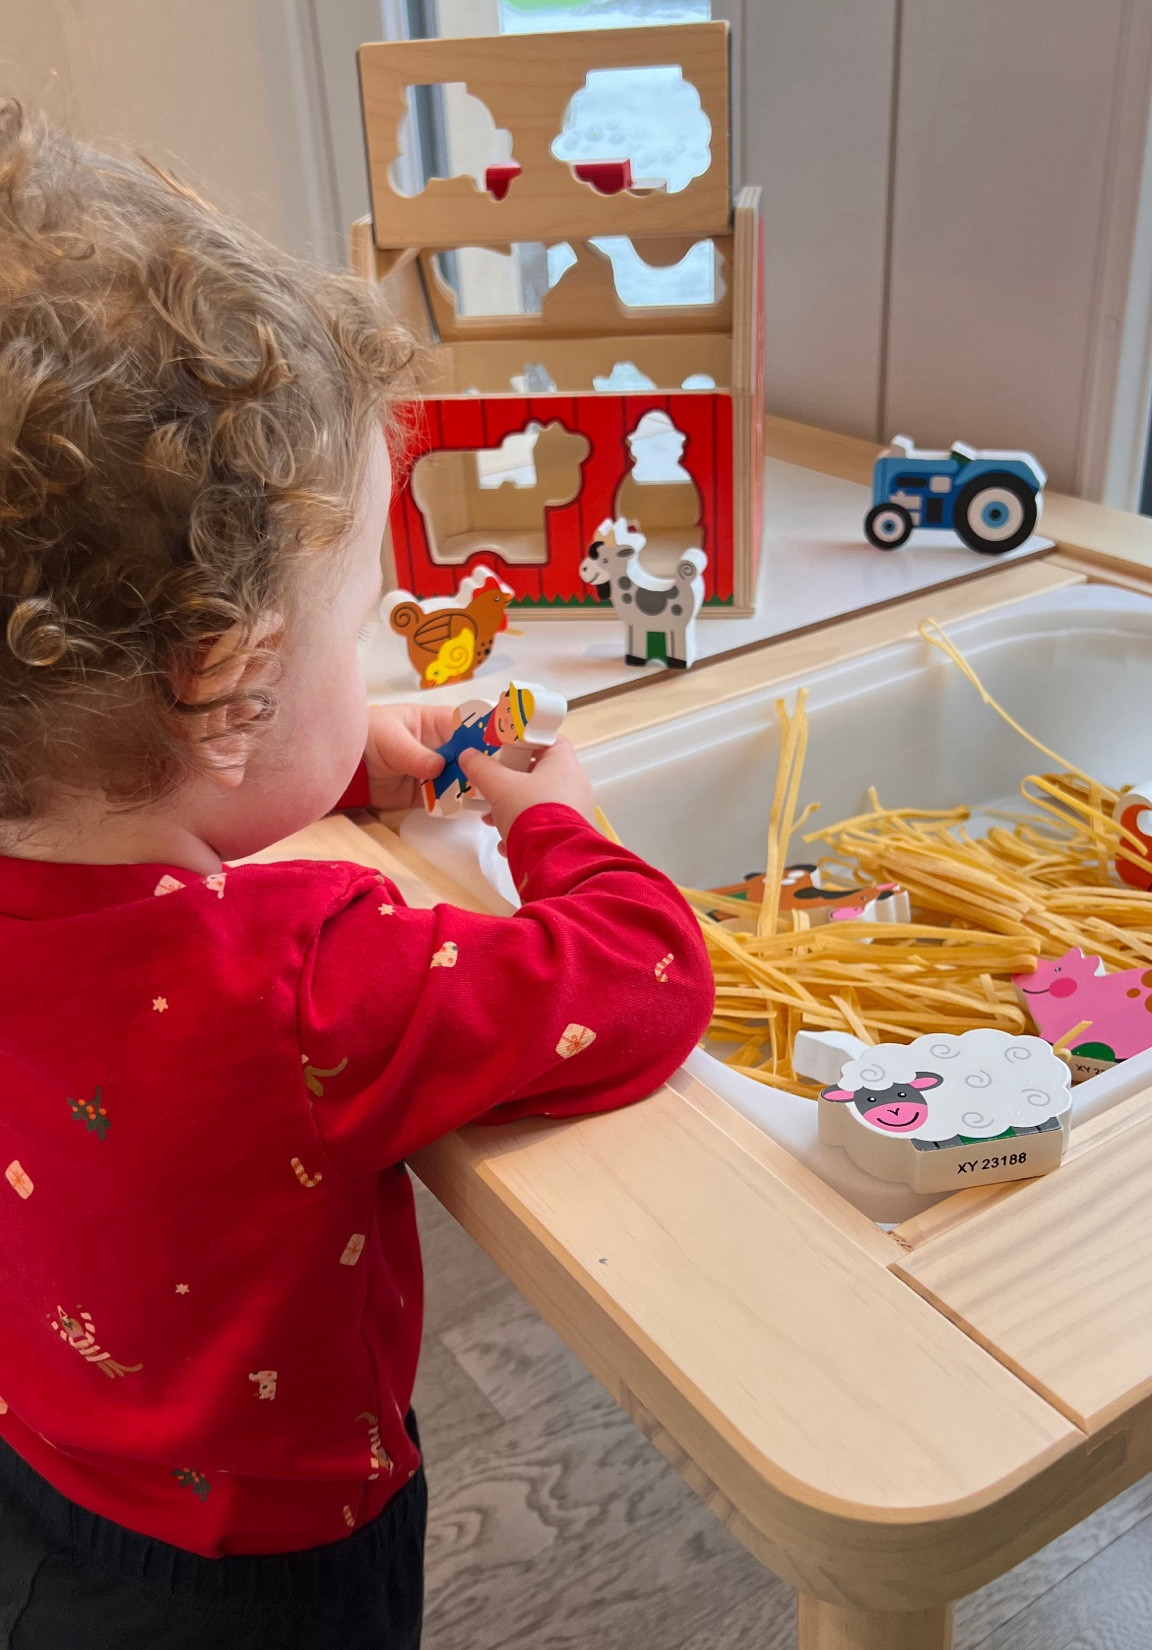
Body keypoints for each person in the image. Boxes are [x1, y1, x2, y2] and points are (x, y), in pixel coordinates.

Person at [0, 104, 714, 1648]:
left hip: (46, 1476)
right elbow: (647, 977)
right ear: (228, 682)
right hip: (270, 1576)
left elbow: (141, 810)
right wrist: (558, 822)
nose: (380, 646)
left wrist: (337, 744)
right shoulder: (310, 972)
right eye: (363, 622)